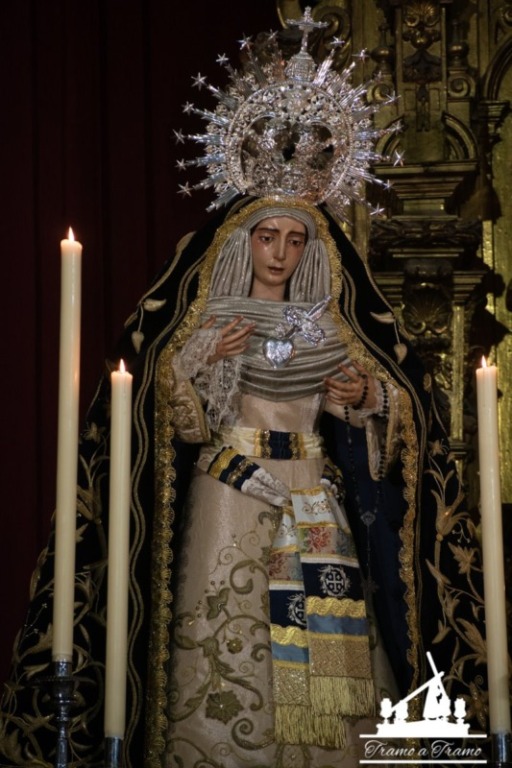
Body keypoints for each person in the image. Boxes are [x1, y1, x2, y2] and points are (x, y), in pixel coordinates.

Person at [0, 11, 487, 768]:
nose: (280, 253)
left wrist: (365, 397)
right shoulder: (207, 321)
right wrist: (203, 361)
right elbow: (168, 417)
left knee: (328, 656)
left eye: (294, 239)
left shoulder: (329, 325)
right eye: (267, 237)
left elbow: (378, 415)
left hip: (311, 489)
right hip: (232, 488)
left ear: (310, 248)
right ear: (243, 240)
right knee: (230, 638)